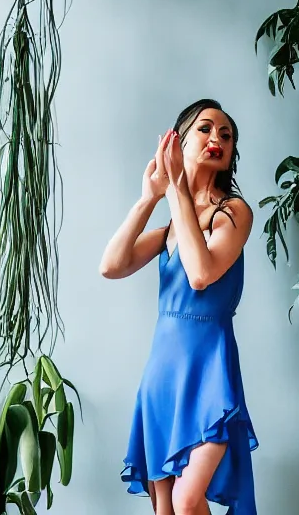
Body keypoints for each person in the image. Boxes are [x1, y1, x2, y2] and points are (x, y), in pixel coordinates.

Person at [99, 98, 258, 515]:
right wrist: (150, 195)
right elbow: (111, 266)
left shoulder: (233, 212)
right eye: (205, 130)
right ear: (177, 143)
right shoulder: (171, 225)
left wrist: (177, 191)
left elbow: (201, 273)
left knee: (189, 502)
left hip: (209, 369)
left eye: (226, 135)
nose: (216, 139)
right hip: (162, 375)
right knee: (165, 508)